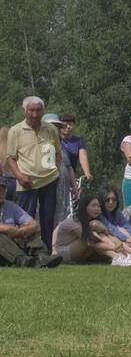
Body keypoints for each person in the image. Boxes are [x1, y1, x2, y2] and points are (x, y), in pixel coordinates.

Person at [5, 96, 63, 251]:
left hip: (49, 180)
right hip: (27, 181)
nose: (35, 114)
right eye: (31, 110)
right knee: (25, 219)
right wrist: (19, 176)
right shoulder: (15, 131)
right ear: (24, 110)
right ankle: (24, 251)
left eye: (38, 110)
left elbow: (58, 152)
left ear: (43, 111)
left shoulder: (50, 129)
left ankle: (46, 251)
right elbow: (10, 157)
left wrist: (56, 171)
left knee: (48, 218)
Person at [53, 192, 131, 265]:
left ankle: (124, 256)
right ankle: (117, 257)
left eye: (98, 206)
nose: (97, 209)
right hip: (60, 254)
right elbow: (91, 243)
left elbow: (106, 233)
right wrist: (113, 247)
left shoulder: (92, 221)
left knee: (99, 234)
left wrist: (106, 232)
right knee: (93, 238)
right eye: (93, 206)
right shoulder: (75, 221)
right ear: (84, 207)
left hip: (76, 253)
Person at [0, 180, 61, 267]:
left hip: (11, 241)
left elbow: (33, 224)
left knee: (28, 231)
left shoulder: (10, 206)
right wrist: (8, 229)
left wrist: (23, 230)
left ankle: (43, 256)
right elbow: (7, 230)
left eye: (3, 189)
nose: (2, 192)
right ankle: (25, 261)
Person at [57, 113, 92, 222]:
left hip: (70, 177)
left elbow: (82, 156)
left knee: (73, 204)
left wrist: (87, 172)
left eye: (71, 124)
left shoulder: (78, 141)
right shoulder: (56, 139)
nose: (68, 127)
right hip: (55, 175)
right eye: (65, 124)